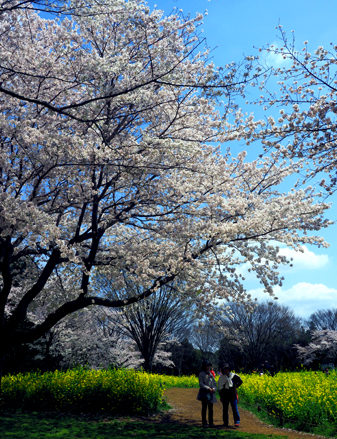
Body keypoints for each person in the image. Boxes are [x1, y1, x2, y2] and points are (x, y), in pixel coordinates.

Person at [218, 363, 243, 428]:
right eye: (225, 369)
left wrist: (235, 387)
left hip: (232, 393)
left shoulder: (234, 376)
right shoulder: (221, 378)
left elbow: (240, 381)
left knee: (235, 408)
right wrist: (221, 397)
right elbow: (220, 388)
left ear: (229, 369)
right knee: (225, 409)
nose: (226, 370)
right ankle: (225, 422)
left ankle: (237, 421)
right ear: (223, 370)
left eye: (227, 369)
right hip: (225, 394)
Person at [197, 360, 217, 428]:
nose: (208, 367)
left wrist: (214, 389)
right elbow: (201, 383)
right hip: (204, 393)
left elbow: (214, 383)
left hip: (211, 393)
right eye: (206, 365)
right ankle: (204, 422)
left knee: (211, 408)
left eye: (209, 365)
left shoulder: (210, 374)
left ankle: (211, 422)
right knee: (204, 408)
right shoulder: (201, 374)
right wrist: (208, 388)